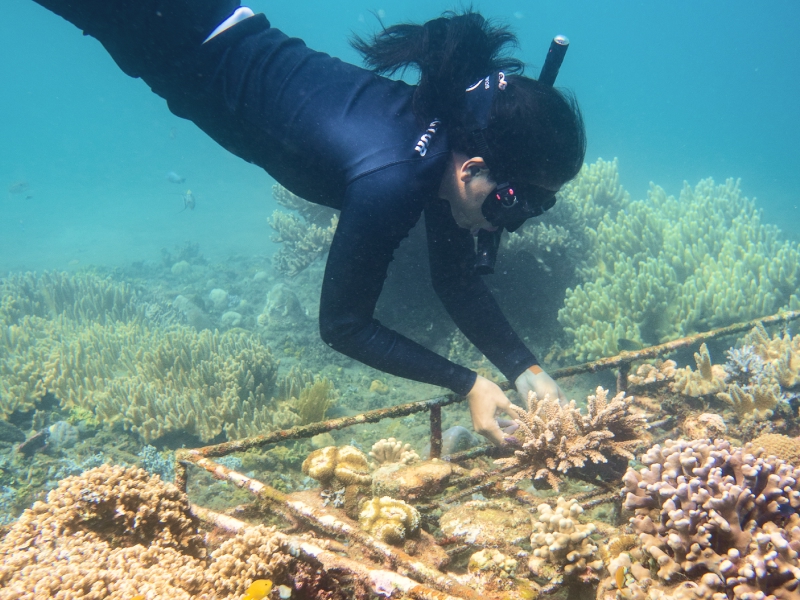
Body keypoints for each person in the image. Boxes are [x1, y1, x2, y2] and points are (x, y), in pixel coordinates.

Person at [32, 0, 585, 446]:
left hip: (194, 23)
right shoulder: (394, 176)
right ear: (473, 169)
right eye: (516, 205)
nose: (511, 225)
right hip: (162, 28)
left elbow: (455, 280)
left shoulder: (446, 137)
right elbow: (343, 325)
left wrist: (524, 368)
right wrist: (467, 382)